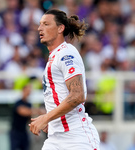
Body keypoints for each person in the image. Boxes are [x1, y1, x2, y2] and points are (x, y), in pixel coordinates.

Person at [29, 9, 100, 150]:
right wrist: (53, 121)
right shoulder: (54, 57)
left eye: (46, 24)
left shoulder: (67, 53)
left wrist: (46, 117)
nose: (39, 28)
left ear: (60, 28)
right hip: (55, 137)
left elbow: (77, 95)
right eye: (40, 24)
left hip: (76, 138)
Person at [10, 83, 33, 150]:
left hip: (24, 131)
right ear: (23, 90)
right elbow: (23, 112)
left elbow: (29, 118)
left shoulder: (29, 104)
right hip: (15, 131)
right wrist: (38, 111)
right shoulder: (18, 102)